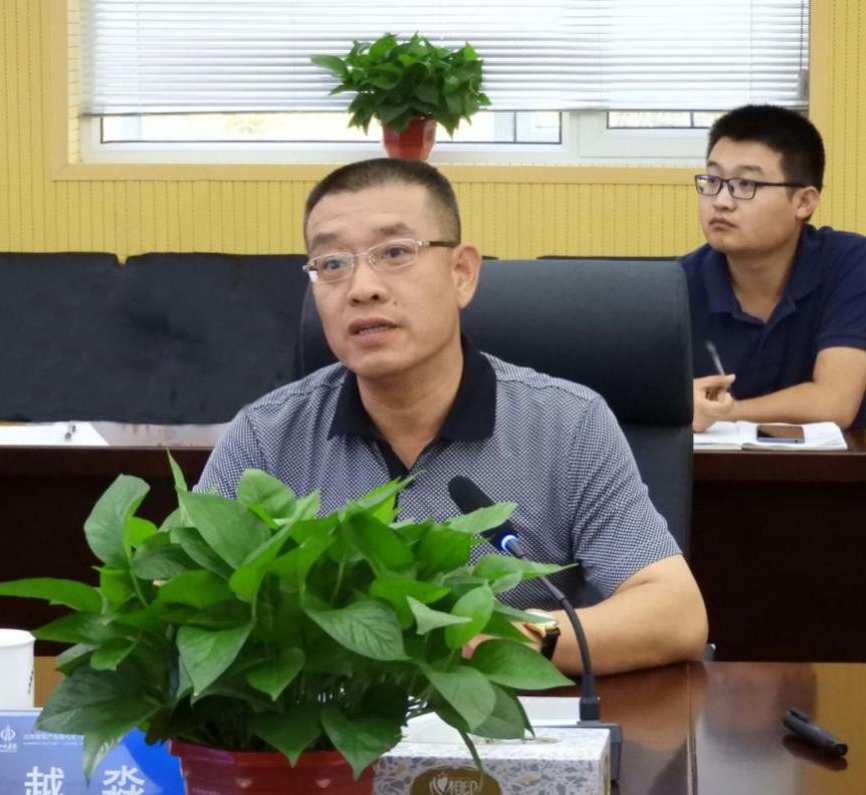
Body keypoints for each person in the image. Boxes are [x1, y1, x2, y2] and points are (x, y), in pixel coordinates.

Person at [196, 157, 707, 676]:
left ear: (461, 273)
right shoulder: (267, 435)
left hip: (500, 714)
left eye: (395, 253)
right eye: (332, 264)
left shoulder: (568, 425)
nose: (362, 287)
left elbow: (676, 613)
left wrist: (506, 637)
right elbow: (182, 599)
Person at [682, 104, 866, 432]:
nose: (720, 201)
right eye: (712, 180)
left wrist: (721, 412)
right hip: (710, 465)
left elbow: (834, 402)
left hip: (838, 465)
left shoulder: (851, 263)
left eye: (745, 184)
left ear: (804, 202)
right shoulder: (675, 286)